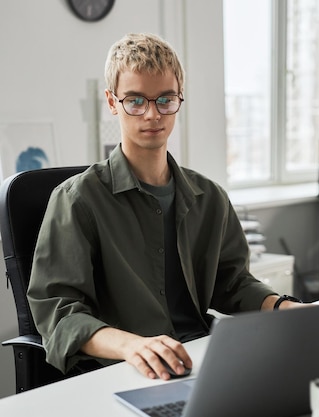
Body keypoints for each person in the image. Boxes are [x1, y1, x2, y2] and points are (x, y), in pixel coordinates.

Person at [27, 33, 303, 381]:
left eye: (165, 100)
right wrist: (132, 346)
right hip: (123, 370)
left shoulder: (211, 198)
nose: (152, 114)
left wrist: (284, 307)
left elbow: (232, 284)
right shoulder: (77, 200)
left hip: (202, 359)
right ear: (112, 102)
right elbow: (59, 314)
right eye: (136, 101)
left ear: (179, 101)